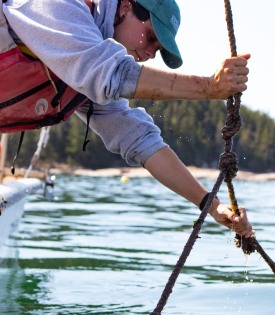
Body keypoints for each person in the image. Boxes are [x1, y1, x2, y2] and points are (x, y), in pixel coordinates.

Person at [2, 0, 253, 237]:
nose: (151, 54)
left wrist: (211, 205)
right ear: (125, 6)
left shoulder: (92, 68)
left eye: (158, 49)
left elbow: (141, 140)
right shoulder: (57, 6)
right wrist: (210, 87)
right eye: (152, 37)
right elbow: (111, 73)